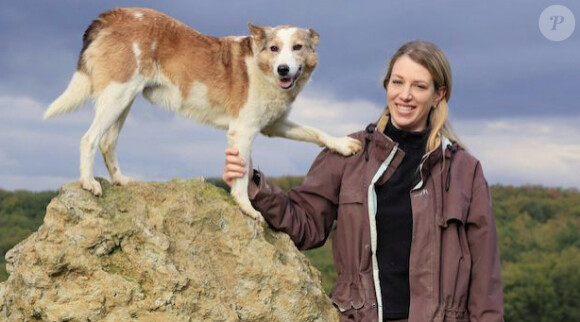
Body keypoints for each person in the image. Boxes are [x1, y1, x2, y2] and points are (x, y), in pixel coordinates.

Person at [223, 41, 504, 322]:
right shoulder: (349, 153)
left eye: (419, 86)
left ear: (438, 95)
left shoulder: (464, 171)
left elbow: (485, 278)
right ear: (387, 86)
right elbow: (305, 225)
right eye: (398, 82)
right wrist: (252, 184)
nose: (405, 95)